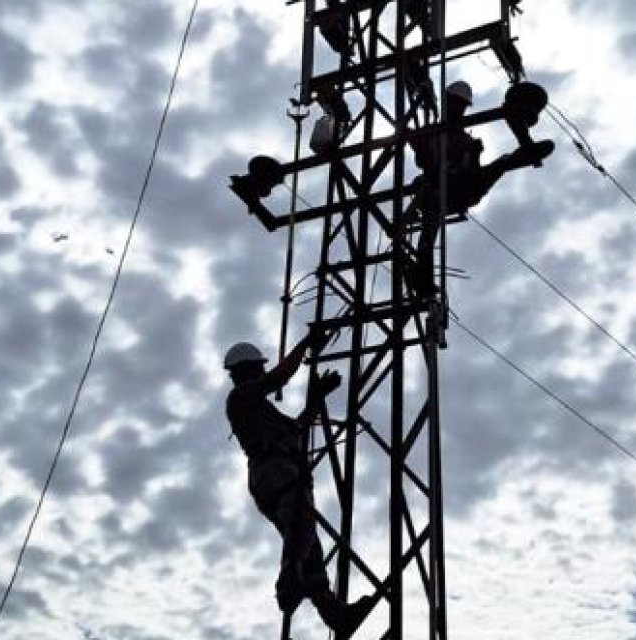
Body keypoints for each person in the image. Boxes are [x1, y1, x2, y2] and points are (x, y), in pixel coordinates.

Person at [223, 329, 372, 636]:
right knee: (301, 528)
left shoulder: (262, 412)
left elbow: (298, 429)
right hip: (275, 474)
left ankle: (336, 616)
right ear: (247, 371)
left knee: (310, 550)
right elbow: (279, 377)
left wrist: (317, 398)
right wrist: (306, 344)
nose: (264, 371)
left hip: (277, 476)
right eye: (259, 368)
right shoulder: (241, 397)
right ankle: (287, 584)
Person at [407, 80, 553, 297]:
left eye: (463, 105)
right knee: (430, 224)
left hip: (466, 187)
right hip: (440, 188)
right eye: (456, 103)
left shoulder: (466, 139)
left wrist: (473, 154)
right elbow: (422, 159)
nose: (460, 109)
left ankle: (525, 153)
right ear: (446, 102)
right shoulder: (432, 132)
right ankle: (422, 278)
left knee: (504, 162)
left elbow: (473, 170)